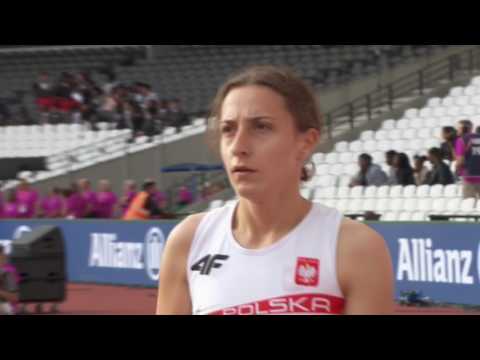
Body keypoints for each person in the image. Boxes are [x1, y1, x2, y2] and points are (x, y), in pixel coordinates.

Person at [156, 66, 394, 315]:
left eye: (261, 127)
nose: (238, 146)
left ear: (306, 143)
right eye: (228, 129)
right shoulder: (189, 241)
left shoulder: (355, 248)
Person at [455, 120, 480, 199]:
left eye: (458, 128)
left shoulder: (461, 140)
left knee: (469, 204)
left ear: (463, 128)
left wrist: (457, 170)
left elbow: (461, 161)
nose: (457, 131)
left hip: (469, 177)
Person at [0, 245, 19, 315]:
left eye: (4, 255)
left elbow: (14, 297)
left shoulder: (7, 273)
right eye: (3, 255)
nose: (5, 257)